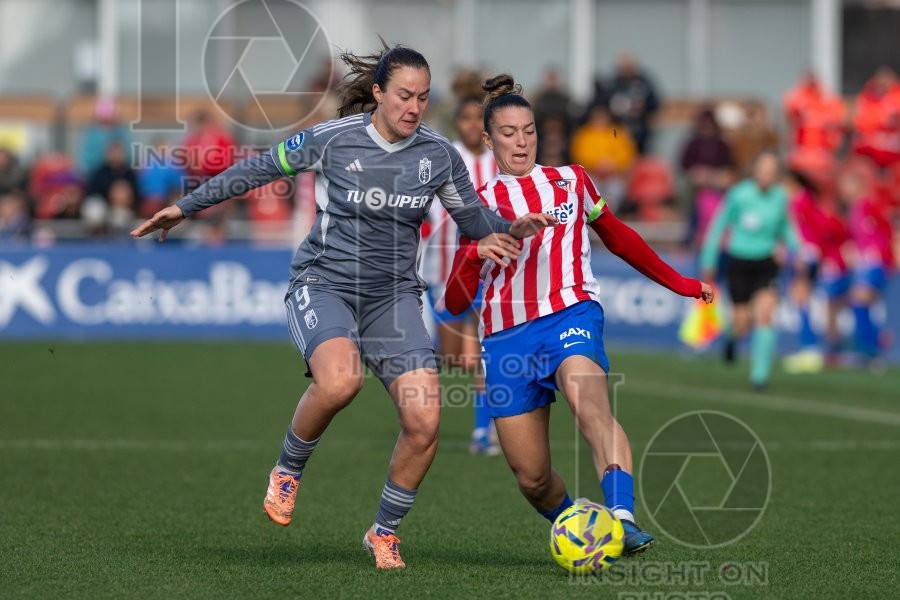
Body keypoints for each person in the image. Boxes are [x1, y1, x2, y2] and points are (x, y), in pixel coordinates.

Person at [130, 44, 554, 570]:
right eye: (403, 95)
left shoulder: (437, 155)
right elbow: (259, 168)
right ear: (377, 92)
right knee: (340, 382)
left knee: (425, 420)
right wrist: (184, 208)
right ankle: (288, 469)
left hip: (393, 297)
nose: (414, 107)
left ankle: (384, 532)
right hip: (324, 283)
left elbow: (472, 219)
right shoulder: (333, 139)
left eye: (423, 97)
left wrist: (509, 227)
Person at [442, 74, 714, 557]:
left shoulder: (571, 180)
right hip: (506, 338)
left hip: (571, 313)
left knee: (589, 404)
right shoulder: (475, 204)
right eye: (508, 133)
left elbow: (618, 236)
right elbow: (457, 301)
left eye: (528, 131)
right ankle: (583, 528)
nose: (521, 141)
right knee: (532, 478)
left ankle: (622, 517)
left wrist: (681, 283)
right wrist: (475, 253)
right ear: (488, 139)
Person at [422, 95, 499, 455]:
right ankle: (423, 422)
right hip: (445, 271)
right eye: (466, 117)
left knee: (486, 354)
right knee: (455, 358)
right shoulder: (444, 156)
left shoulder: (500, 160)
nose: (472, 124)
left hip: (489, 270)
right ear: (457, 122)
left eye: (478, 118)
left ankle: (483, 431)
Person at [701, 151, 802, 390]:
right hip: (739, 261)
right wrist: (709, 260)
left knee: (765, 314)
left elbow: (787, 226)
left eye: (771, 171)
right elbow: (718, 226)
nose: (767, 175)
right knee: (742, 322)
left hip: (766, 262)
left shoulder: (780, 197)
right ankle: (731, 337)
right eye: (763, 169)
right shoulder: (739, 195)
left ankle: (759, 377)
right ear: (755, 170)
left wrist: (797, 251)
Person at [606, 53, 660, 154]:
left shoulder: (644, 83)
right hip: (617, 129)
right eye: (624, 67)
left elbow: (654, 104)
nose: (627, 70)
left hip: (640, 129)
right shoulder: (612, 84)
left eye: (629, 66)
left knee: (640, 155)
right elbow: (605, 105)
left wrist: (644, 108)